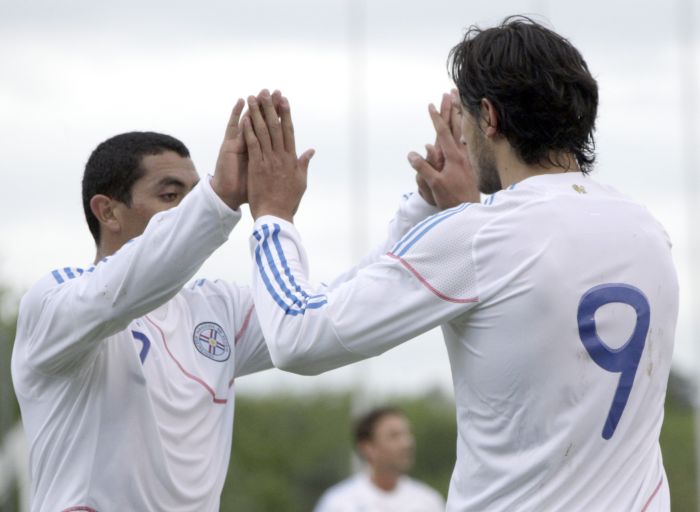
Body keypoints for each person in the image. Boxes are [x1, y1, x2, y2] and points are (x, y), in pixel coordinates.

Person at [243, 16, 678, 511]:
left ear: (488, 117)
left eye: (469, 119)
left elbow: (299, 337)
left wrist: (272, 217)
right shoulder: (648, 230)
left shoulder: (480, 235)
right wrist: (447, 213)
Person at [11, 93, 438, 512]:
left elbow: (336, 304)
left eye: (195, 193)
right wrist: (217, 198)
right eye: (170, 194)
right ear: (107, 212)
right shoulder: (54, 303)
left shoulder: (216, 309)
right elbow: (125, 285)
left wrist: (422, 208)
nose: (189, 207)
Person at [314, 406, 444, 512]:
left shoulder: (429, 501)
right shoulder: (339, 504)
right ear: (368, 448)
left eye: (407, 434)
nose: (407, 443)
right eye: (394, 436)